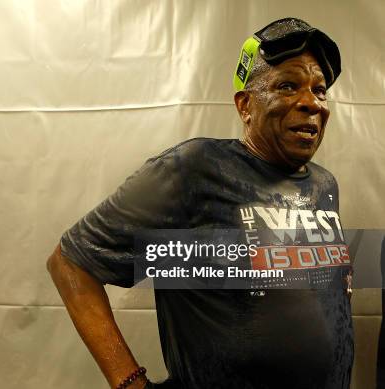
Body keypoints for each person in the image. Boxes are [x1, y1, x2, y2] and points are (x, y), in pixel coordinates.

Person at [47, 18, 353, 389]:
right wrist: (128, 381)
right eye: (287, 85)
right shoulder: (194, 168)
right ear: (245, 105)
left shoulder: (324, 185)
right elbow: (69, 263)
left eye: (320, 90)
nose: (311, 103)